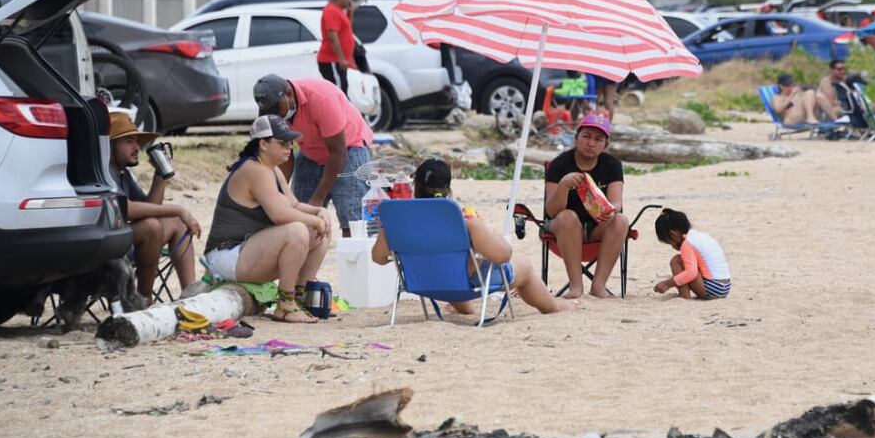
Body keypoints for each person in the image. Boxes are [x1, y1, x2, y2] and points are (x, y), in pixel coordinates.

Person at [370, 158, 567, 315]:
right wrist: (498, 240)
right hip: (459, 283)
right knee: (523, 266)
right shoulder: (464, 219)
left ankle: (466, 311)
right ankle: (554, 308)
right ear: (448, 188)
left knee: (444, 264)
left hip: (423, 282)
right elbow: (502, 256)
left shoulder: (396, 220)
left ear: (415, 185)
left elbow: (378, 258)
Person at [205, 115, 334, 323]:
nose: (289, 147)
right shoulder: (254, 170)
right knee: (297, 231)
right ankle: (286, 304)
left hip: (247, 251)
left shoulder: (271, 169)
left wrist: (318, 213)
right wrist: (313, 220)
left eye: (290, 142)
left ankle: (301, 299)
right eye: (282, 142)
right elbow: (280, 215)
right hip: (226, 255)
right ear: (263, 144)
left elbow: (294, 205)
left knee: (321, 229)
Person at [253, 74, 372, 236]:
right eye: (268, 111)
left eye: (276, 109)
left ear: (289, 94)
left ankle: (353, 259)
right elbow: (283, 155)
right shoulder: (275, 112)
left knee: (353, 221)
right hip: (311, 152)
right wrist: (278, 192)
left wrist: (319, 197)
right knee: (299, 219)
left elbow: (338, 153)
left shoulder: (322, 99)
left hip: (349, 148)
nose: (275, 116)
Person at [107, 112, 200, 300]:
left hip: (125, 241)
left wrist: (160, 175)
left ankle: (190, 296)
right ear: (109, 146)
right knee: (152, 227)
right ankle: (144, 298)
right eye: (129, 141)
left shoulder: (123, 172)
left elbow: (149, 208)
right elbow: (128, 209)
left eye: (137, 141)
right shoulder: (105, 172)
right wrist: (179, 209)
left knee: (175, 222)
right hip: (107, 246)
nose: (137, 147)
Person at [543, 112, 628, 299]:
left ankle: (598, 285)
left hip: (598, 226)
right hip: (563, 228)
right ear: (576, 138)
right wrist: (564, 185)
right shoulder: (559, 164)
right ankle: (576, 286)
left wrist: (611, 211)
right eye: (586, 136)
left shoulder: (612, 164)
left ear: (606, 144)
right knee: (567, 217)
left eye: (598, 139)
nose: (591, 143)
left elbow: (616, 202)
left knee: (620, 220)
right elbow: (551, 211)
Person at [652, 208, 731, 300]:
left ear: (673, 235)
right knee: (690, 262)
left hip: (713, 288)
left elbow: (691, 273)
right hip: (724, 287)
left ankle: (684, 295)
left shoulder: (687, 244)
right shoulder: (699, 236)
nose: (672, 247)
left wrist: (667, 283)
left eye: (670, 243)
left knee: (676, 260)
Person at [317, 0, 355, 95]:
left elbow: (346, 29)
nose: (349, 0)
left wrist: (350, 13)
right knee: (339, 93)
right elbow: (333, 37)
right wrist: (341, 59)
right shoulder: (331, 11)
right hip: (332, 61)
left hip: (337, 61)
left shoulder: (339, 11)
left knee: (342, 91)